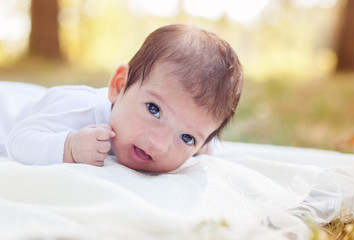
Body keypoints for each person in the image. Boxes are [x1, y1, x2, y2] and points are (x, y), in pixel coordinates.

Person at [5, 24, 244, 172]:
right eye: (154, 109)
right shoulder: (77, 109)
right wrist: (69, 146)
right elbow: (18, 140)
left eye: (186, 137)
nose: (159, 144)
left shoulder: (191, 126)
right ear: (119, 86)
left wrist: (196, 143)